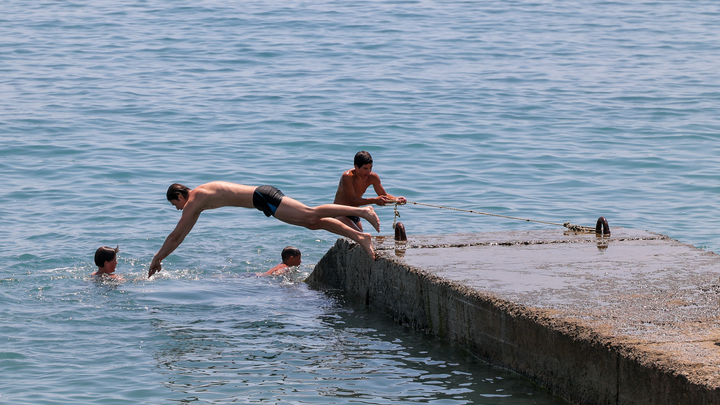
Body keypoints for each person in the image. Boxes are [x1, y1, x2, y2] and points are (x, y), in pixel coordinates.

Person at [148, 181, 380, 277]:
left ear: (179, 195)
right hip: (262, 202)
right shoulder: (197, 202)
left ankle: (363, 212)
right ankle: (360, 236)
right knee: (312, 223)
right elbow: (181, 235)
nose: (178, 209)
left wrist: (157, 257)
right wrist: (161, 257)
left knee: (310, 214)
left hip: (263, 196)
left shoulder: (194, 198)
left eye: (175, 204)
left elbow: (176, 234)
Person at [333, 151, 407, 231]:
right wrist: (374, 200)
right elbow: (351, 201)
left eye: (370, 168)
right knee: (360, 236)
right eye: (365, 169)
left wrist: (396, 200)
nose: (368, 172)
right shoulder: (347, 177)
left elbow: (383, 194)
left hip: (354, 213)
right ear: (356, 167)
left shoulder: (373, 177)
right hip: (340, 213)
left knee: (361, 239)